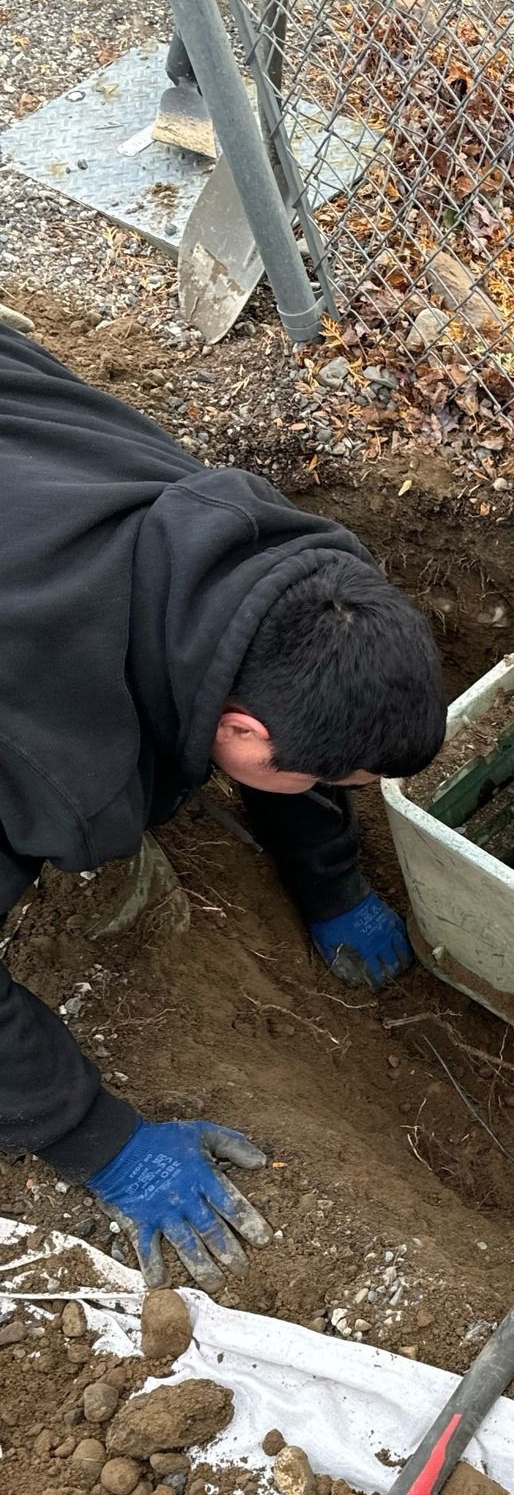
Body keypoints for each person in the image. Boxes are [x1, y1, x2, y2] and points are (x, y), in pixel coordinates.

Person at [0, 322, 447, 1293]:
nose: (340, 797)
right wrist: (101, 1140)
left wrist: (329, 876)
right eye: (335, 785)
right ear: (243, 739)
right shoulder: (46, 751)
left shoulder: (238, 553)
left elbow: (261, 698)